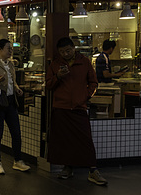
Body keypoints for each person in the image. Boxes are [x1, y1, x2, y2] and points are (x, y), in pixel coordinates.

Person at [46, 37, 107, 186]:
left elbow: (93, 82)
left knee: (85, 139)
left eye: (68, 50)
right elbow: (48, 85)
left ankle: (93, 170)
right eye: (62, 52)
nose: (65, 54)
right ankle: (67, 168)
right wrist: (58, 77)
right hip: (61, 108)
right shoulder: (55, 64)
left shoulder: (84, 62)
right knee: (65, 141)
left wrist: (85, 96)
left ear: (74, 48)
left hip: (79, 107)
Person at [0, 39, 30, 175]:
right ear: (0, 49)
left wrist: (16, 88)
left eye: (11, 49)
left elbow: (12, 81)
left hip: (10, 101)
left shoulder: (10, 64)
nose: (10, 51)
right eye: (8, 49)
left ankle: (18, 161)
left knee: (16, 132)